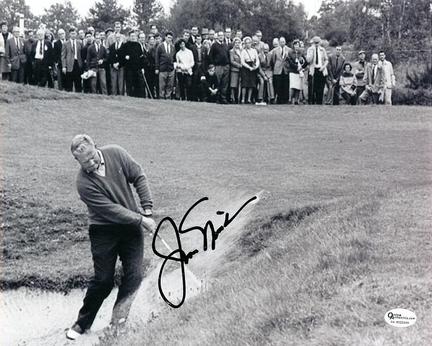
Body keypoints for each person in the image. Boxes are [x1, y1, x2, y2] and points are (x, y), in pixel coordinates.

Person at [66, 134, 156, 341]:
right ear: (77, 161)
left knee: (134, 275)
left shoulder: (116, 152)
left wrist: (147, 210)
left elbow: (138, 176)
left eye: (92, 157)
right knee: (103, 280)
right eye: (85, 161)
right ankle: (82, 324)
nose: (91, 163)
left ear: (95, 146)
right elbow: (111, 210)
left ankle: (118, 321)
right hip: (103, 230)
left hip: (131, 228)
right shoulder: (83, 183)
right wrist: (140, 219)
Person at [208, 31, 230, 104]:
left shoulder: (226, 45)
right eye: (219, 35)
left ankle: (223, 98)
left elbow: (228, 55)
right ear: (217, 37)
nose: (221, 37)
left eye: (222, 35)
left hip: (226, 66)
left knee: (225, 83)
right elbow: (210, 56)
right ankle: (217, 98)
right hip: (218, 66)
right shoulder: (214, 45)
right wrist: (213, 65)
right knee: (218, 82)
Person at [306, 36, 328, 104]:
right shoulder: (310, 49)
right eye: (315, 43)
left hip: (321, 69)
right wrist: (312, 51)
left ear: (320, 42)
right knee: (312, 87)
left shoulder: (322, 50)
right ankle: (311, 102)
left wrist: (323, 66)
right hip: (313, 69)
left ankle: (319, 102)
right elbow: (308, 60)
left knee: (320, 87)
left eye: (317, 42)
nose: (316, 44)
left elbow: (326, 60)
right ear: (313, 43)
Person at [123, 31, 145, 98]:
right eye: (131, 36)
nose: (133, 37)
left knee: (138, 83)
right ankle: (130, 96)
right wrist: (125, 56)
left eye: (134, 36)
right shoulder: (126, 45)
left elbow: (141, 57)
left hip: (137, 68)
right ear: (129, 37)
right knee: (129, 83)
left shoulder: (138, 45)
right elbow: (121, 54)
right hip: (129, 68)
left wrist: (142, 67)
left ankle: (138, 97)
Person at [155, 31, 176, 100]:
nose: (169, 39)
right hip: (162, 69)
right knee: (162, 85)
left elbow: (174, 57)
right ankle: (161, 97)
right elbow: (157, 58)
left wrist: (174, 67)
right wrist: (157, 68)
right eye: (168, 37)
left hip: (170, 69)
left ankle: (168, 97)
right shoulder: (160, 46)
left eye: (171, 38)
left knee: (170, 85)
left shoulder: (172, 47)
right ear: (165, 37)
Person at [62, 28, 83, 93]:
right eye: (72, 34)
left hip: (78, 64)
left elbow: (82, 54)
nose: (73, 35)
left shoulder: (79, 42)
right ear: (69, 34)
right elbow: (63, 56)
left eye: (74, 33)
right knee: (69, 83)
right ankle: (69, 98)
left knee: (78, 82)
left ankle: (78, 97)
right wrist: (64, 66)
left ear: (76, 34)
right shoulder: (65, 43)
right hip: (69, 65)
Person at [287, 39, 308, 105]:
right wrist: (297, 67)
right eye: (295, 45)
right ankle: (290, 99)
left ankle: (296, 100)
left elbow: (306, 61)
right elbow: (290, 62)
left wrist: (302, 67)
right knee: (292, 86)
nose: (296, 46)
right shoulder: (290, 52)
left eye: (298, 45)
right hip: (292, 71)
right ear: (293, 45)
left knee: (298, 86)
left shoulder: (301, 52)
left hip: (299, 72)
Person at [240, 36, 259, 104]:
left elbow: (257, 60)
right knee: (244, 84)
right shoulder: (243, 51)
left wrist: (256, 66)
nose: (248, 44)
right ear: (244, 44)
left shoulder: (254, 51)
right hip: (245, 68)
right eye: (246, 43)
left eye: (249, 43)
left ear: (251, 43)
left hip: (252, 66)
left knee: (251, 84)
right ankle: (242, 99)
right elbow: (242, 62)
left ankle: (249, 99)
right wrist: (249, 67)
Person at [272, 36, 290, 104]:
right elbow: (273, 60)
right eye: (281, 42)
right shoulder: (275, 50)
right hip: (277, 69)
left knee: (285, 84)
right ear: (279, 42)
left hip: (285, 69)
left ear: (285, 42)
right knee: (278, 85)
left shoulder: (289, 49)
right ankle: (279, 99)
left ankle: (285, 99)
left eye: (283, 42)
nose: (282, 43)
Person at [229, 37, 242, 103]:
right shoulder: (231, 51)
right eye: (236, 43)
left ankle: (238, 98)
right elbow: (232, 61)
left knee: (239, 85)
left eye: (238, 43)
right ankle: (232, 98)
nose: (237, 44)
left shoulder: (241, 50)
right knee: (233, 85)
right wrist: (239, 65)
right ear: (234, 43)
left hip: (241, 71)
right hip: (234, 70)